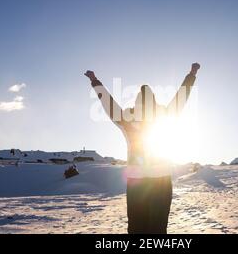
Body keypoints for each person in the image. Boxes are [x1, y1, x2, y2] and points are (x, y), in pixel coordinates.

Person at [84, 63, 200, 234]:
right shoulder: (165, 115)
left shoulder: (127, 118)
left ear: (137, 100)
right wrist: (191, 75)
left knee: (137, 227)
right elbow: (181, 98)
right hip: (161, 180)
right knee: (158, 228)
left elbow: (109, 104)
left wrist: (95, 81)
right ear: (153, 100)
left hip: (136, 181)